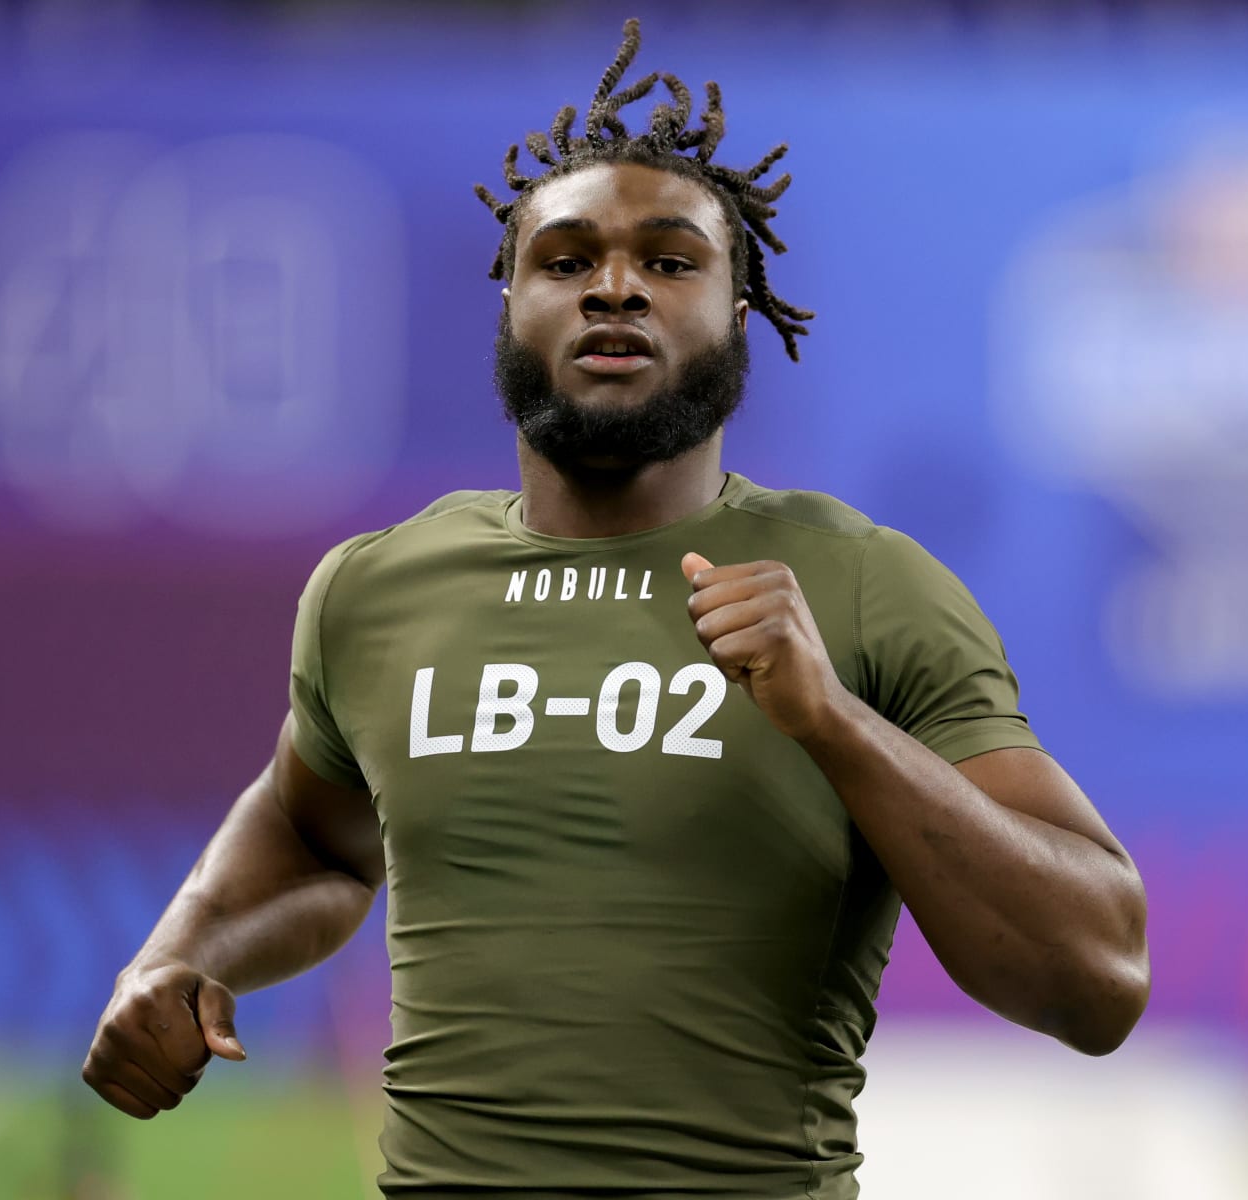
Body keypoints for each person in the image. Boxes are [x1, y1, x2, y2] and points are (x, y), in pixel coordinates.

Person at [81, 19, 1150, 1198]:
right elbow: (310, 839)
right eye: (566, 259)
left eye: (672, 260)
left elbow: (1096, 977)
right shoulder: (376, 588)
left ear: (741, 316)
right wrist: (180, 954)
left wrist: (836, 725)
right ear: (509, 308)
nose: (616, 286)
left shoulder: (862, 584)